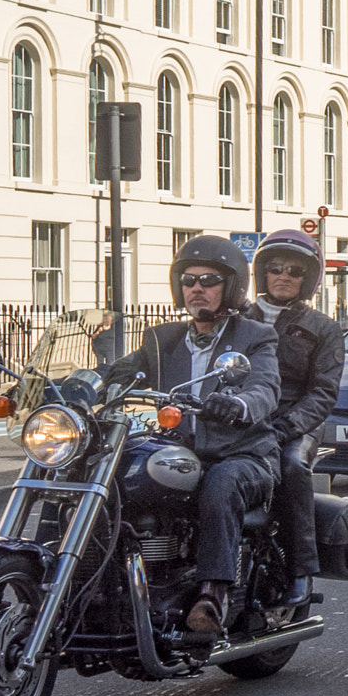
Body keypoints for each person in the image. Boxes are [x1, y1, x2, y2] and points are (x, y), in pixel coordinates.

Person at [106, 235, 282, 636]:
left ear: (232, 286)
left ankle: (212, 595)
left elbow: (265, 387)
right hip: (181, 451)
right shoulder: (162, 339)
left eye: (208, 279)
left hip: (243, 455)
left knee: (220, 484)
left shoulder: (255, 336)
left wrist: (238, 404)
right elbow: (118, 373)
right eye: (188, 280)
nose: (196, 288)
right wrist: (65, 387)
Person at [244, 229, 345, 611]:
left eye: (294, 270)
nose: (283, 276)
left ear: (308, 279)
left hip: (293, 421)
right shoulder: (238, 319)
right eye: (274, 268)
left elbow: (322, 392)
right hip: (243, 415)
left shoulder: (324, 328)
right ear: (261, 273)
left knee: (291, 466)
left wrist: (285, 428)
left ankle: (302, 569)